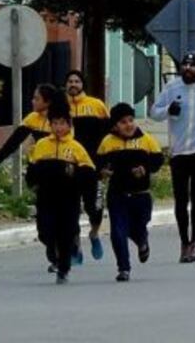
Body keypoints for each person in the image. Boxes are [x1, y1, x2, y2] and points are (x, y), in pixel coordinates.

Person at [149, 51, 195, 264]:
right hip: (179, 151)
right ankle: (183, 242)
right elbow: (154, 111)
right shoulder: (172, 87)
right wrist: (168, 109)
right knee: (181, 199)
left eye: (192, 65)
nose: (188, 69)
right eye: (185, 65)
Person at [26, 93, 96, 285]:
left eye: (62, 123)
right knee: (45, 231)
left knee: (66, 232)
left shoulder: (76, 148)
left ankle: (63, 267)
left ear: (69, 124)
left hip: (69, 198)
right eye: (54, 123)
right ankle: (53, 249)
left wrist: (74, 172)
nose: (58, 127)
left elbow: (89, 173)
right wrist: (32, 181)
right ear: (50, 125)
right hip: (46, 197)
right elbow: (33, 168)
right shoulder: (41, 145)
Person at [96, 103, 164, 282]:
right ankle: (123, 268)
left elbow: (158, 160)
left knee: (139, 226)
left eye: (131, 120)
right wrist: (103, 172)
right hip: (117, 194)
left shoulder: (146, 139)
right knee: (118, 231)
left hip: (141, 194)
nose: (128, 125)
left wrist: (145, 168)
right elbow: (99, 164)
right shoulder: (107, 142)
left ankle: (142, 240)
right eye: (123, 122)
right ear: (115, 125)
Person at [65, 70, 109, 262]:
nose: (73, 84)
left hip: (94, 166)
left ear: (83, 84)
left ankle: (94, 233)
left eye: (76, 81)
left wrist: (106, 164)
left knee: (95, 208)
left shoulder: (96, 106)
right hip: (70, 167)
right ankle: (76, 248)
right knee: (71, 210)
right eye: (70, 81)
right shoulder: (61, 107)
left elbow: (108, 135)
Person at [0, 84, 56, 172]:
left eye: (37, 99)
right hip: (40, 165)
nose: (32, 101)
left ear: (48, 102)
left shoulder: (60, 120)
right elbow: (13, 142)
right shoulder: (33, 118)